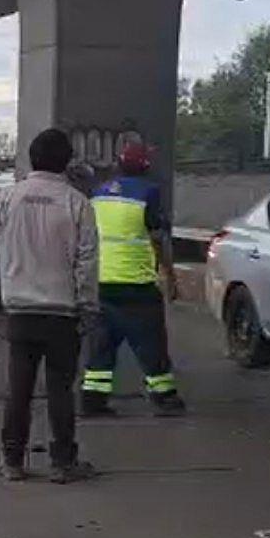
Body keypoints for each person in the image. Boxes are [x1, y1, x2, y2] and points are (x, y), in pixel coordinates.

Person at [0, 128, 100, 483]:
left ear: (31, 158)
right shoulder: (77, 203)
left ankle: (13, 461)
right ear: (66, 161)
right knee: (60, 388)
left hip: (20, 309)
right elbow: (87, 261)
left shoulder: (8, 199)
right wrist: (87, 305)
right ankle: (63, 462)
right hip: (62, 311)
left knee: (19, 389)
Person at [81, 141, 186, 417]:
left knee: (101, 346)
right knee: (151, 343)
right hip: (135, 284)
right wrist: (170, 276)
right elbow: (157, 237)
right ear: (146, 166)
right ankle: (165, 397)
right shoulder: (149, 192)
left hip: (102, 282)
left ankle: (92, 400)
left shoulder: (99, 192)